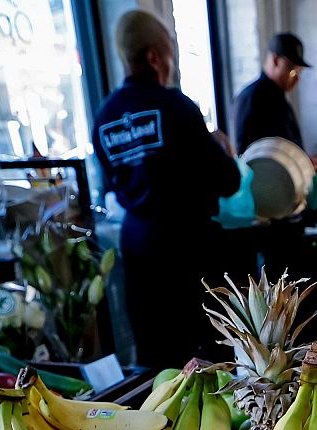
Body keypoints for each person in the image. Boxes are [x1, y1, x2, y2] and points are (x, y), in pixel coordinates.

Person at [94, 10, 241, 366]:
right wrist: (222, 148)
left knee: (156, 356)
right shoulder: (176, 107)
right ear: (153, 56)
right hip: (188, 247)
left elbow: (112, 184)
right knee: (210, 360)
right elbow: (229, 181)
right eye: (170, 50)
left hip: (139, 247)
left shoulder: (104, 118)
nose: (173, 62)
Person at [234, 32, 308, 153]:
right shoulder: (252, 98)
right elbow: (248, 156)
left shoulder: (280, 99)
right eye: (292, 71)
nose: (296, 78)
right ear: (275, 60)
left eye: (299, 72)